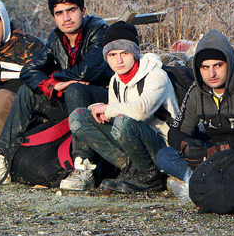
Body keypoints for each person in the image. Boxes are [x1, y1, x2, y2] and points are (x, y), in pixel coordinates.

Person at [0, 0, 112, 185]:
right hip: (72, 101)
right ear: (54, 17)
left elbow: (86, 71)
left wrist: (55, 78)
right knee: (26, 91)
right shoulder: (56, 38)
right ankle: (3, 157)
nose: (66, 18)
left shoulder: (99, 31)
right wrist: (53, 85)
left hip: (103, 100)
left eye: (71, 10)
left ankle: (83, 165)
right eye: (59, 13)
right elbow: (28, 71)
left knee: (74, 88)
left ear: (83, 11)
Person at [63, 21, 180, 192]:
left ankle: (150, 176)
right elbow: (116, 111)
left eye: (124, 53)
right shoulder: (115, 81)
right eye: (112, 55)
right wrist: (100, 110)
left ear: (134, 53)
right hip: (133, 143)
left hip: (162, 147)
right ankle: (129, 169)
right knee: (79, 117)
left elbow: (141, 111)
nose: (118, 60)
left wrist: (109, 110)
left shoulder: (156, 75)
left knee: (123, 120)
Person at [156, 29, 234, 202]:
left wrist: (223, 150)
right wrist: (189, 147)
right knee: (164, 155)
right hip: (209, 157)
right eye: (205, 67)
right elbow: (176, 131)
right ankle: (203, 180)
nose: (211, 74)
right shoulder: (196, 92)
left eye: (218, 66)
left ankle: (199, 182)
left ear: (229, 63)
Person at [0, 0, 44, 150]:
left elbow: (44, 93)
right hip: (2, 120)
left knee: (1, 99)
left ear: (5, 20)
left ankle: (12, 152)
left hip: (32, 118)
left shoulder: (30, 47)